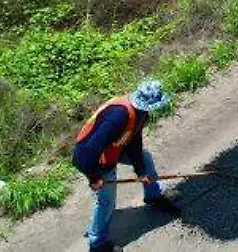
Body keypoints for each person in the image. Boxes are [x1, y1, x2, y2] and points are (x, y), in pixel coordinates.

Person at [72, 80, 180, 252]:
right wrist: (94, 176)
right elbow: (89, 149)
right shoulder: (117, 116)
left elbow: (134, 140)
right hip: (92, 158)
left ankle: (153, 195)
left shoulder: (141, 113)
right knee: (106, 201)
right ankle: (97, 244)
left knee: (145, 158)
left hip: (114, 148)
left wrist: (140, 170)